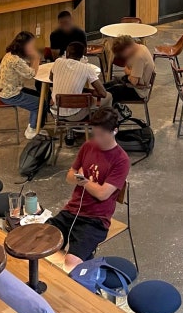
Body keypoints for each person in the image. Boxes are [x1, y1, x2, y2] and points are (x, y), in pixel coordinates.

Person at [46, 108, 130, 271]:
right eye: (94, 133)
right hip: (72, 210)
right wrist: (81, 179)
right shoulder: (88, 146)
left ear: (114, 131)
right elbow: (69, 177)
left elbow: (102, 194)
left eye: (101, 135)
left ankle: (76, 275)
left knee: (71, 262)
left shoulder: (121, 160)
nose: (97, 139)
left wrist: (83, 181)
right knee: (42, 242)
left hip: (96, 220)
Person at [50, 41, 110, 122]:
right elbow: (103, 93)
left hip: (55, 112)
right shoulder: (87, 68)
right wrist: (86, 90)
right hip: (76, 115)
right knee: (109, 96)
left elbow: (51, 79)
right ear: (83, 55)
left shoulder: (58, 62)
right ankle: (103, 123)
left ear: (67, 53)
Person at [0, 31, 42, 139]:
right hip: (10, 94)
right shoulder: (15, 60)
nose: (33, 47)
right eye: (31, 45)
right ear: (24, 45)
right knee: (39, 103)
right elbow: (31, 74)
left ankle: (37, 125)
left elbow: (26, 67)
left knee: (40, 96)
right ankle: (32, 129)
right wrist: (36, 57)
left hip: (7, 89)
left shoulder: (10, 54)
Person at [105, 34, 154, 104]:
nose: (123, 56)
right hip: (134, 85)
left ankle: (106, 109)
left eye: (122, 54)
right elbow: (126, 69)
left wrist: (130, 73)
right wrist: (131, 73)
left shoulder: (138, 57)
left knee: (111, 93)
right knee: (109, 84)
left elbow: (134, 81)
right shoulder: (141, 47)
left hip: (138, 91)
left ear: (126, 49)